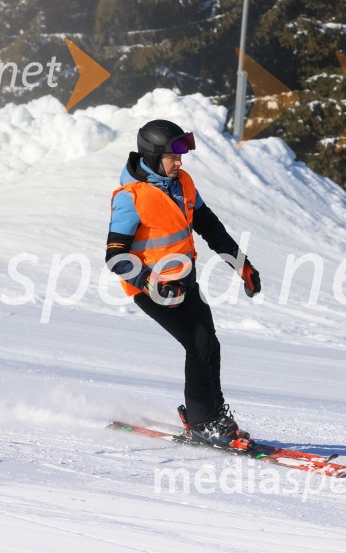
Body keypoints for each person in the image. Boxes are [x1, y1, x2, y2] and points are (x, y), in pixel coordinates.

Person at [105, 119, 261, 448]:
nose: (180, 162)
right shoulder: (130, 198)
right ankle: (204, 423)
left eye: (182, 156)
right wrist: (148, 282)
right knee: (199, 343)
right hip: (152, 289)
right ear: (151, 157)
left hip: (184, 281)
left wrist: (240, 264)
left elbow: (209, 225)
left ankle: (209, 415)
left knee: (209, 345)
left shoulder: (183, 183)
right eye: (173, 156)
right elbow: (115, 256)